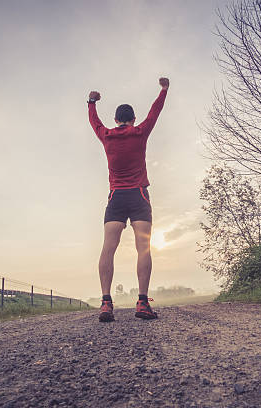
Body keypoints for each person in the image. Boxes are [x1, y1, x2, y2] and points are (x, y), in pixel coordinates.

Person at [87, 77, 169, 322]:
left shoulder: (107, 135)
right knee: (143, 248)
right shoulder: (140, 131)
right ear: (133, 119)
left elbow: (94, 121)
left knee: (108, 248)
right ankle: (142, 303)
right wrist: (164, 89)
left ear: (116, 120)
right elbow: (156, 111)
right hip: (138, 195)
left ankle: (105, 303)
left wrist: (91, 101)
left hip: (116, 197)